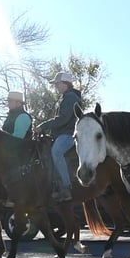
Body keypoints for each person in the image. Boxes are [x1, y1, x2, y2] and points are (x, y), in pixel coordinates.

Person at [37, 71, 82, 202]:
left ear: (65, 84)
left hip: (69, 134)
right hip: (63, 133)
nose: (56, 86)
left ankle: (66, 187)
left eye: (57, 83)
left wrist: (44, 125)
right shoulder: (66, 97)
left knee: (56, 152)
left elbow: (63, 119)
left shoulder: (71, 98)